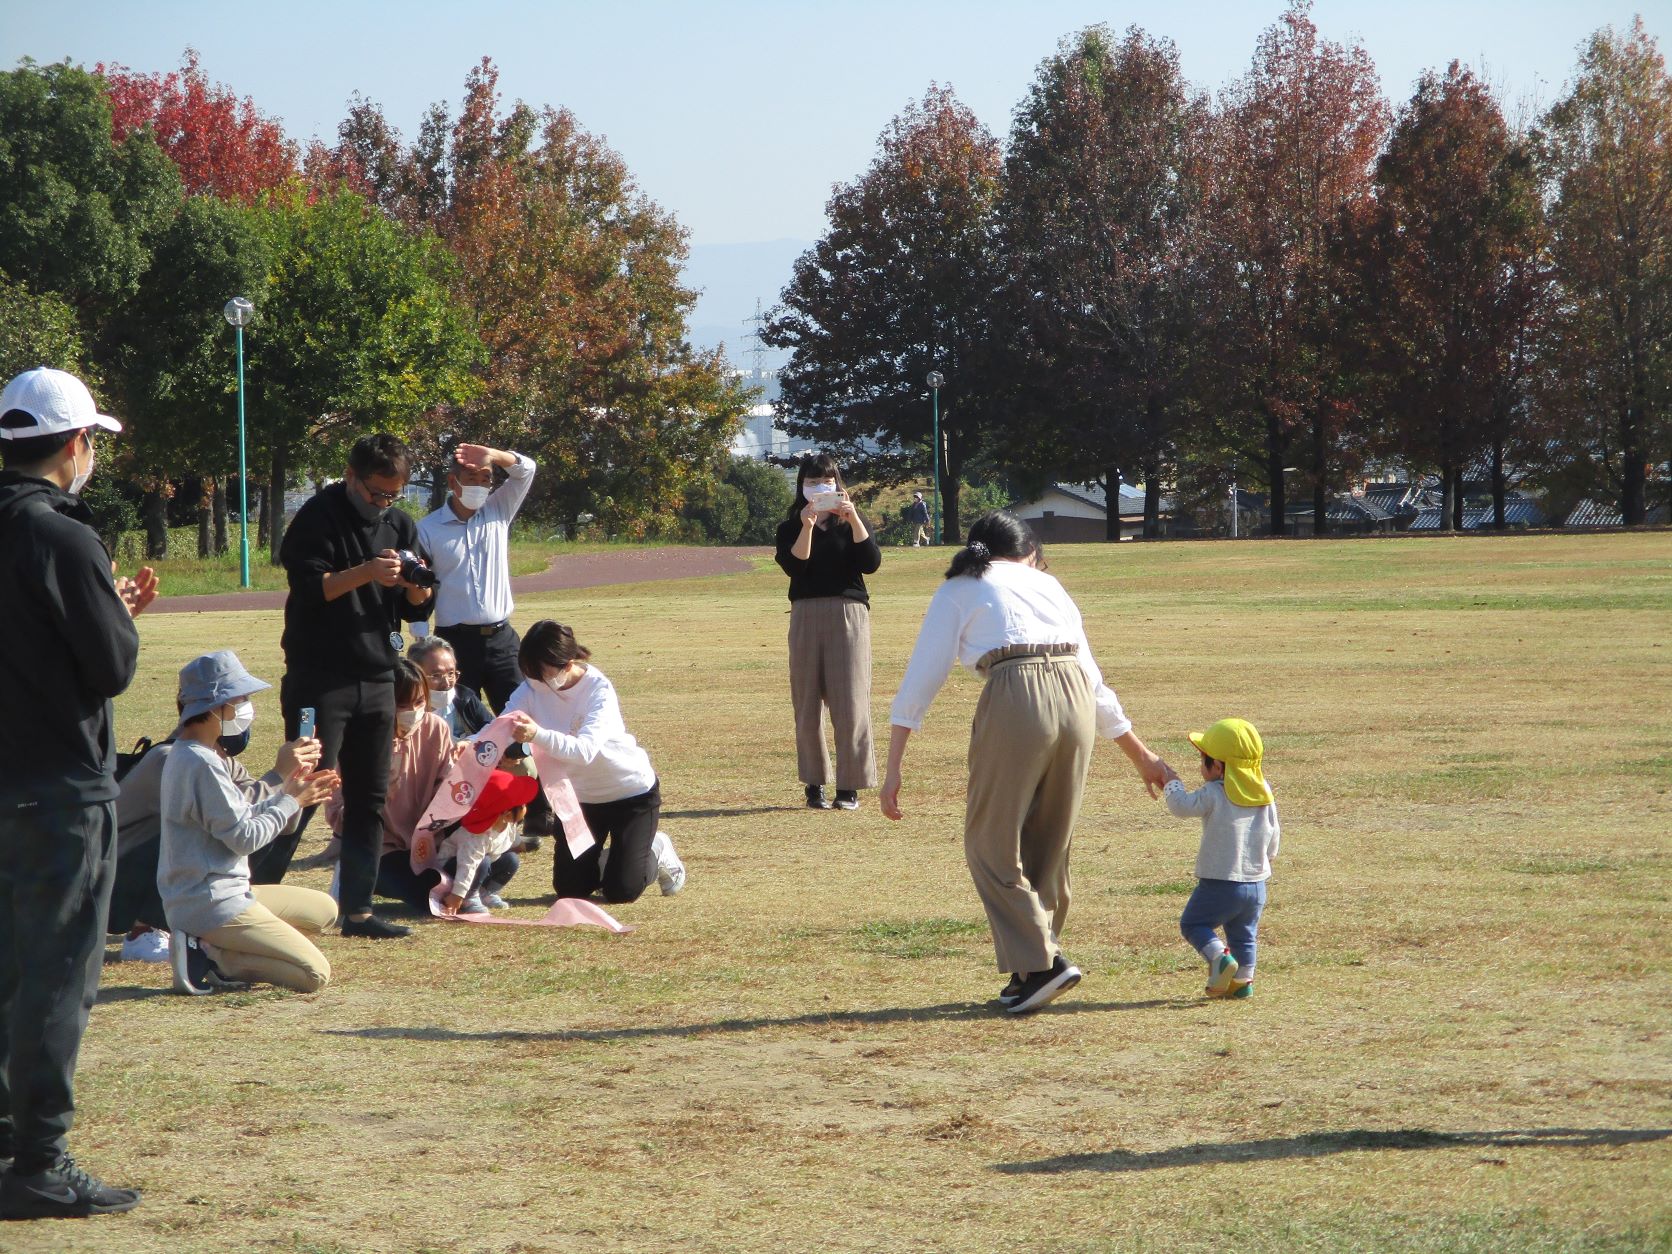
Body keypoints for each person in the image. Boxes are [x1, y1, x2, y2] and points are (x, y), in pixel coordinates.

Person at [882, 510, 1170, 1016]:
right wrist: (1142, 755)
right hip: (1076, 697)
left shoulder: (960, 587)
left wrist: (894, 765)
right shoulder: (1049, 585)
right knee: (1050, 841)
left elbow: (921, 677)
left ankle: (1043, 964)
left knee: (990, 843)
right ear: (1026, 553)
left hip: (1018, 692)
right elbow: (1095, 681)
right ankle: (1031, 971)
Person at [0, 366, 155, 1219]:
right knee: (59, 973)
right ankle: (39, 1157)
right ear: (74, 444)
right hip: (59, 786)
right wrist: (116, 611)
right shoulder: (64, 539)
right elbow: (111, 664)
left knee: (6, 966)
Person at [278, 432, 435, 939]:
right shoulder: (317, 517)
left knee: (370, 798)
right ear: (350, 476)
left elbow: (417, 606)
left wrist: (415, 586)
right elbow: (313, 587)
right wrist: (369, 571)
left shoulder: (398, 523)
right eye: (375, 493)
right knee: (302, 788)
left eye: (393, 495)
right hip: (320, 678)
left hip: (378, 675)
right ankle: (248, 896)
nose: (383, 504)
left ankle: (358, 911)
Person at [158, 653, 339, 996]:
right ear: (216, 706)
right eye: (239, 699)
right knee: (314, 974)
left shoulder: (201, 755)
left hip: (223, 892)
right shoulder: (200, 763)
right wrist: (291, 799)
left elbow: (248, 818)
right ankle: (216, 958)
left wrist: (293, 787)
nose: (246, 707)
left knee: (325, 911)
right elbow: (244, 838)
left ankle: (211, 944)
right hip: (210, 902)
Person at [111, 700, 313, 956]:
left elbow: (264, 816)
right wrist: (277, 776)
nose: (244, 711)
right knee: (188, 838)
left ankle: (220, 914)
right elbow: (232, 815)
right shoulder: (171, 758)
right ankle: (144, 932)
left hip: (159, 879)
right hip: (118, 881)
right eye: (238, 702)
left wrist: (294, 781)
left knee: (257, 827)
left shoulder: (219, 759)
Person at [505, 620, 685, 903]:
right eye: (530, 674)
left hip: (630, 795)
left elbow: (584, 751)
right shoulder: (532, 689)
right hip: (580, 801)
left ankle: (656, 849)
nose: (537, 681)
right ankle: (614, 860)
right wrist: (473, 744)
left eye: (542, 672)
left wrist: (537, 734)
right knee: (571, 889)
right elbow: (504, 723)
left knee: (621, 891)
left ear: (567, 662)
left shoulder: (598, 689)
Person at [773, 453, 882, 811]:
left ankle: (849, 786)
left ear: (838, 483)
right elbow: (795, 565)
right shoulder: (790, 526)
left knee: (850, 699)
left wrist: (852, 521)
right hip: (805, 611)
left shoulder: (851, 521)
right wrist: (806, 525)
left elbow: (871, 563)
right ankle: (814, 783)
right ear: (801, 485)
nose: (820, 487)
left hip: (848, 611)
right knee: (806, 701)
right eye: (812, 481)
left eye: (827, 480)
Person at [323, 659, 459, 914]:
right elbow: (337, 812)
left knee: (497, 862)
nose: (413, 712)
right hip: (382, 850)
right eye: (403, 705)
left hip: (428, 845)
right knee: (428, 895)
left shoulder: (435, 728)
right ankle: (359, 879)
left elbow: (446, 791)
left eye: (419, 703)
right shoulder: (359, 737)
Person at [1162, 718, 1280, 1001]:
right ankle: (1242, 982)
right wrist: (1267, 859)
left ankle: (1220, 958)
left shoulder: (1215, 791)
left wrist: (1171, 783)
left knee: (1193, 924)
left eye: (1203, 759)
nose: (1200, 764)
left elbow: (1181, 807)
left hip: (1220, 881)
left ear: (1217, 767)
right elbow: (1274, 832)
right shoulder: (1264, 792)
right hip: (1256, 884)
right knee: (1244, 933)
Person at [415, 443, 536, 713]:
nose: (480, 486)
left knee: (519, 718)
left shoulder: (498, 511)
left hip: (502, 641)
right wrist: (420, 636)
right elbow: (418, 586)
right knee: (457, 721)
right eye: (472, 479)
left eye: (486, 479)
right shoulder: (427, 529)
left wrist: (492, 456)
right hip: (455, 642)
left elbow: (526, 470)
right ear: (452, 481)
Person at [435, 769, 534, 915]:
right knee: (483, 861)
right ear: (506, 813)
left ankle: (486, 892)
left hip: (477, 868)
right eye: (522, 805)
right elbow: (467, 865)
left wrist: (521, 844)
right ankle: (469, 897)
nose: (526, 808)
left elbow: (511, 838)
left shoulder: (507, 823)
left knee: (511, 860)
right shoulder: (476, 835)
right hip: (451, 873)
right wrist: (457, 895)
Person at [409, 636, 493, 741]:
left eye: (451, 674)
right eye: (436, 675)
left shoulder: (464, 698)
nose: (447, 683)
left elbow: (494, 729)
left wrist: (470, 742)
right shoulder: (402, 710)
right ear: (415, 675)